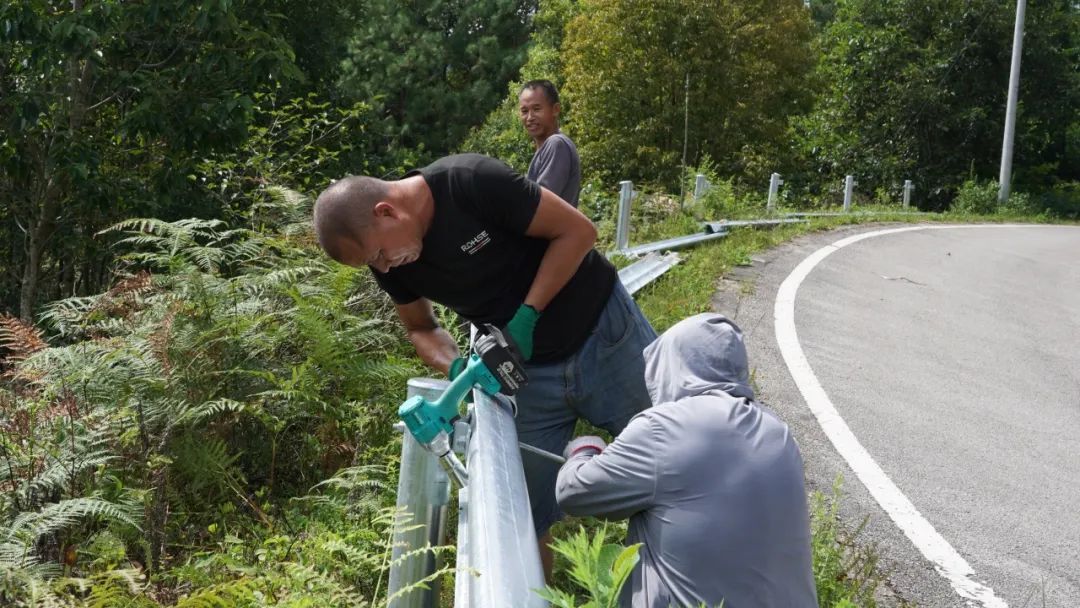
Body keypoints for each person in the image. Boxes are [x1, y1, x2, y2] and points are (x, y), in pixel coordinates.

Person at [312, 153, 656, 577]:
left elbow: (579, 231)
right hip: (525, 377)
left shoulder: (470, 183)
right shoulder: (391, 265)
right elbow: (421, 328)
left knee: (667, 452)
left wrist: (528, 314)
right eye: (373, 263)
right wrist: (459, 369)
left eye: (380, 253)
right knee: (525, 514)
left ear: (387, 212)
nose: (382, 267)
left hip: (604, 335)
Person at [556, 314, 817, 608]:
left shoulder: (663, 427)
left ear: (669, 366)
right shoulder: (777, 432)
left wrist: (584, 450)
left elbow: (574, 493)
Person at [518, 79, 582, 207]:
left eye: (536, 109)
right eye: (524, 111)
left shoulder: (556, 144)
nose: (530, 117)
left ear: (556, 109)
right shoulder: (546, 149)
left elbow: (539, 205)